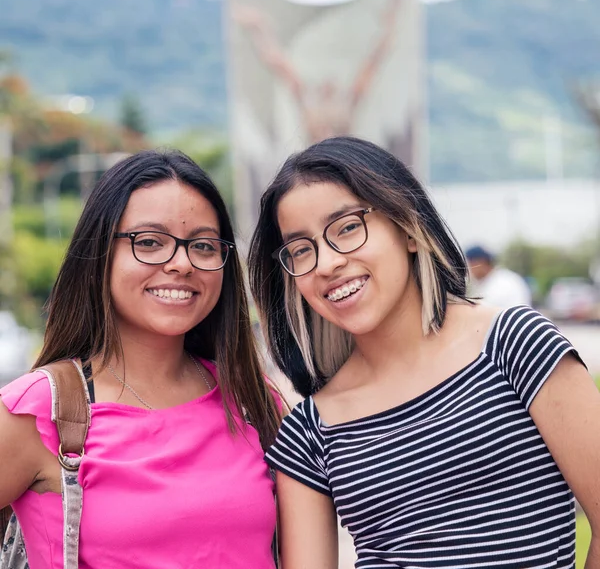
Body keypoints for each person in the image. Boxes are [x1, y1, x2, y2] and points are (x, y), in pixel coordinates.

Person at [248, 136, 600, 569]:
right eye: (302, 249)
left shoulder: (516, 345)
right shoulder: (309, 431)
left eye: (347, 228)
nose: (326, 263)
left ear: (409, 228)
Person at [0, 150, 282, 569]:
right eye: (149, 242)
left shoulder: (252, 399)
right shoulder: (41, 411)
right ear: (99, 253)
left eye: (203, 246)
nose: (182, 263)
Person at [465, 244, 532, 308]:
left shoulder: (503, 283)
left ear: (481, 263)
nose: (469, 269)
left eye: (471, 264)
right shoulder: (494, 280)